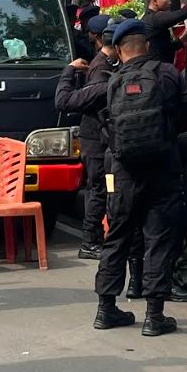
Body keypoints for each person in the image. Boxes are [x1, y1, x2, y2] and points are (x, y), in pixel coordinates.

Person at [92, 19, 187, 336]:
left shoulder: (113, 81)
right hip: (162, 169)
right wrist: (167, 132)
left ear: (120, 51)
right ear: (148, 46)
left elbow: (105, 118)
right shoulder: (168, 73)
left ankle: (106, 309)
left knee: (117, 237)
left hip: (124, 172)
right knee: (158, 240)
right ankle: (155, 316)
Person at [55, 14, 118, 259]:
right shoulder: (101, 72)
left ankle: (100, 237)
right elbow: (64, 102)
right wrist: (68, 72)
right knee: (98, 189)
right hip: (95, 141)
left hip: (103, 141)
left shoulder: (107, 65)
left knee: (106, 189)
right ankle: (90, 241)